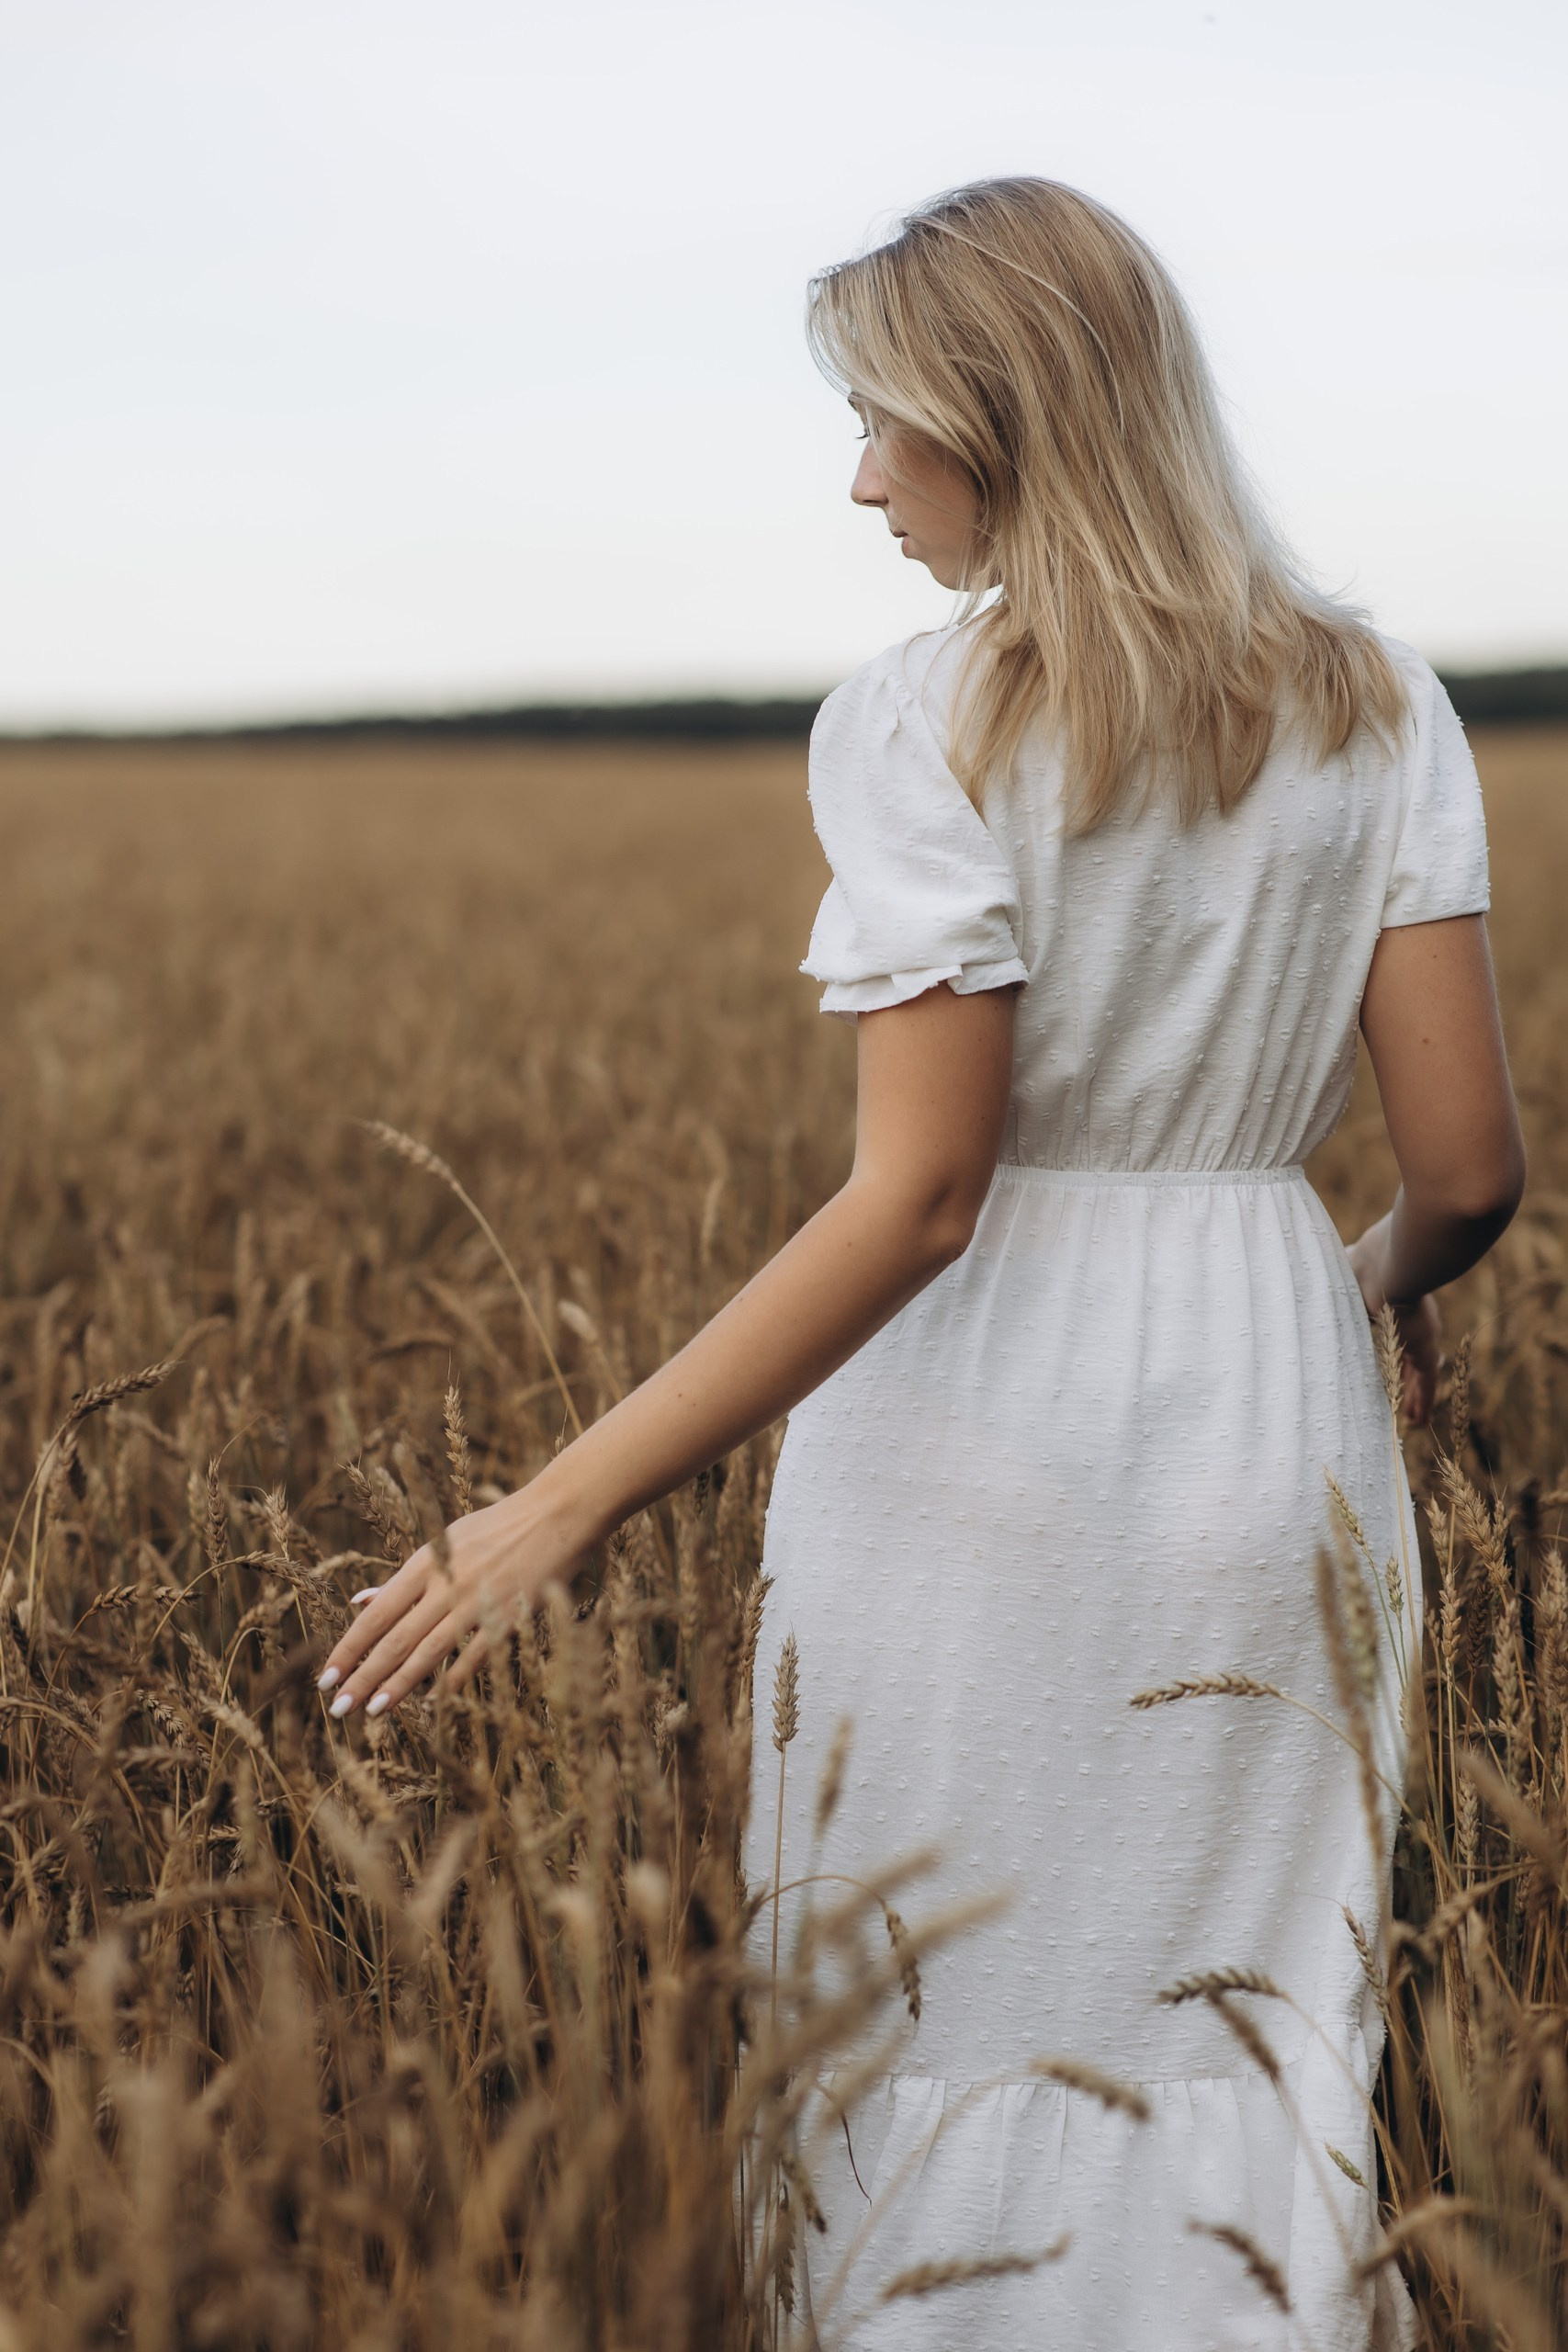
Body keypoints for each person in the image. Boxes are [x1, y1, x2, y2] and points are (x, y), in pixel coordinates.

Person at [316, 178, 1525, 2349]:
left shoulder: (922, 718)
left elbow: (922, 1193)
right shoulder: (1380, 705)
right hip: (1274, 1409)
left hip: (980, 1437)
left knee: (923, 2019)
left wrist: (552, 1506)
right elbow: (1463, 1162)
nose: (858, 474)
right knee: (1245, 2039)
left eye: (884, 419)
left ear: (1008, 414)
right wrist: (1356, 1281)